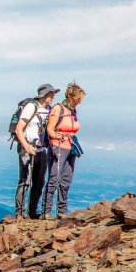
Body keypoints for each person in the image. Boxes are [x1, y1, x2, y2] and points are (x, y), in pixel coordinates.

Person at [14, 84, 59, 220]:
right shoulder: (31, 107)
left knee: (39, 182)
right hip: (28, 148)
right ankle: (20, 213)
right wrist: (26, 146)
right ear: (44, 95)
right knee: (25, 181)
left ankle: (32, 212)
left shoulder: (49, 109)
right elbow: (18, 129)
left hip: (41, 149)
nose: (53, 96)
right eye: (51, 94)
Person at [43, 82, 86, 219]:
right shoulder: (58, 109)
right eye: (78, 98)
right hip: (58, 147)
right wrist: (58, 136)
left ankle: (62, 211)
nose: (79, 102)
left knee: (66, 180)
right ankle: (46, 212)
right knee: (54, 179)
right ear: (71, 97)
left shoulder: (72, 111)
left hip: (71, 147)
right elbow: (50, 130)